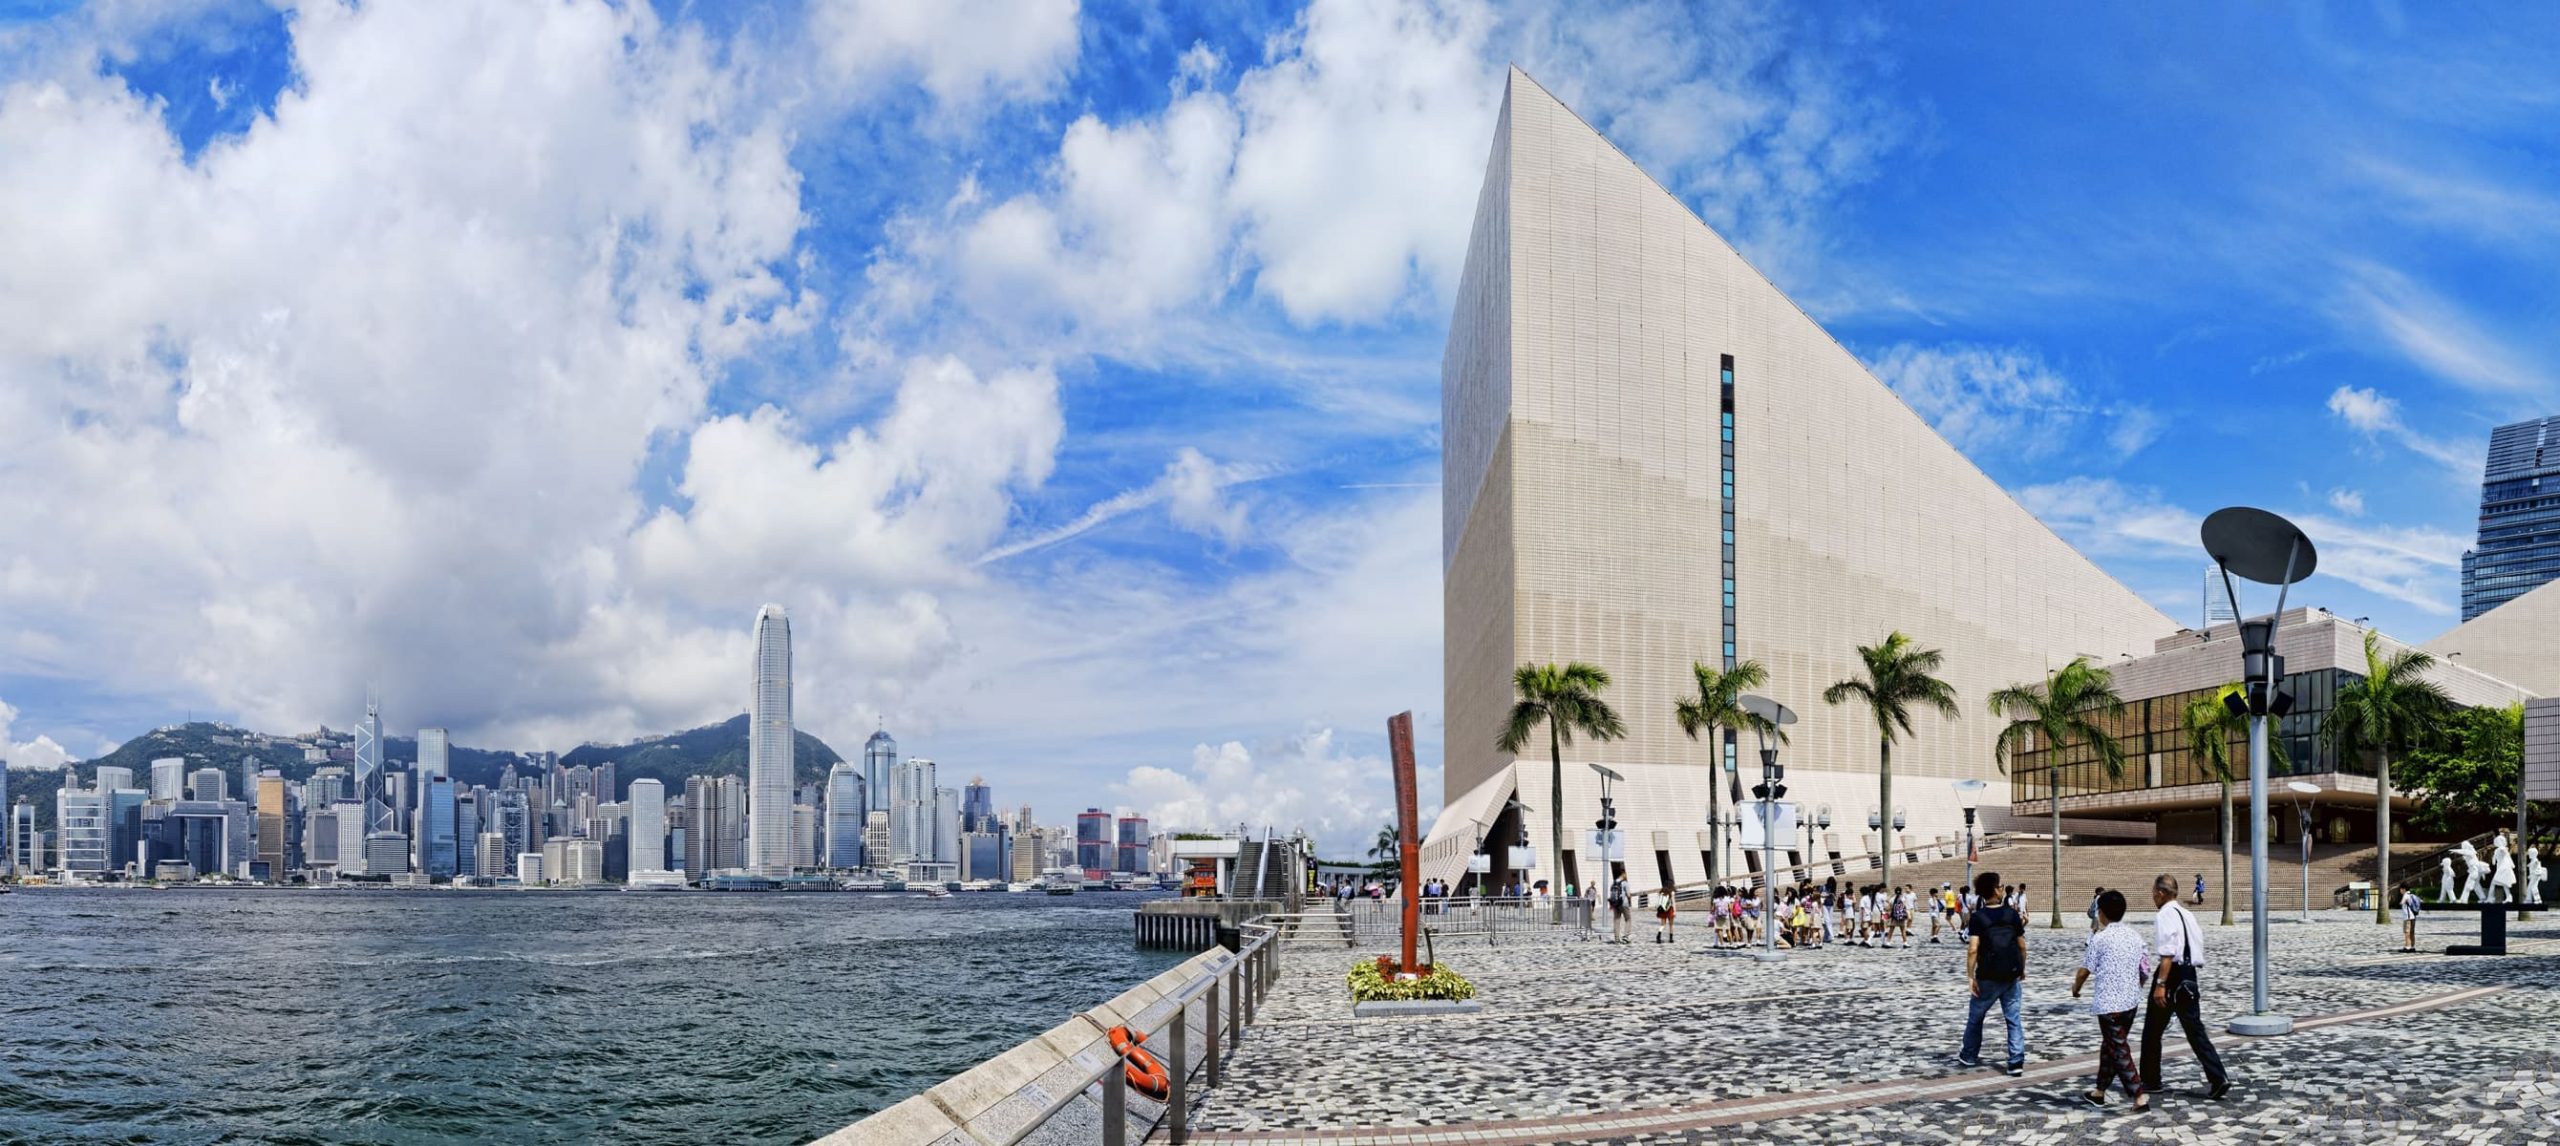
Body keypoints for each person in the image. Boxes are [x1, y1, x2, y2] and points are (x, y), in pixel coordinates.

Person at [2141, 874, 2231, 1100]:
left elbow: (2168, 952)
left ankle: (2151, 1080)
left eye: (2154, 891)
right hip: (2190, 975)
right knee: (2195, 1031)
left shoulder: (2164, 914)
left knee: (2152, 1031)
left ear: (2161, 893)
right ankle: (2218, 1076)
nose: (2152, 895)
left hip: (2171, 975)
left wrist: (2160, 984)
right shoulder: (2188, 914)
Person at [2071, 889, 2150, 1112]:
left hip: (2109, 1004)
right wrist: (2136, 986)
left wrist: (2076, 988)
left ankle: (2139, 1096)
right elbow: (2144, 968)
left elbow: (2084, 971)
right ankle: (2099, 1092)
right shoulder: (2135, 936)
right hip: (2131, 1001)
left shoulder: (2100, 938)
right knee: (2111, 1046)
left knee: (2118, 1049)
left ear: (2101, 913)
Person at [1959, 871, 2028, 1075]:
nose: (2001, 889)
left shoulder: (1978, 917)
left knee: (1976, 1017)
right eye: (2000, 886)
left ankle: (1969, 1055)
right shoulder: (2011, 914)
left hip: (1987, 976)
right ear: (1996, 890)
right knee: (2013, 1018)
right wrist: (2022, 969)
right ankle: (2016, 1061)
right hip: (2010, 974)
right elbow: (2022, 946)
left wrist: (1970, 976)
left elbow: (1972, 949)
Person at [1607, 866, 1633, 944]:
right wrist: (1630, 900)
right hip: (1623, 903)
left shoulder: (1613, 883)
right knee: (1628, 919)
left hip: (1615, 904)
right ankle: (1625, 936)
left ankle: (1617, 938)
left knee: (1616, 920)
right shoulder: (1625, 883)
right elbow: (1628, 895)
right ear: (1623, 873)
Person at [2399, 884, 2423, 953]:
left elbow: (2402, 903)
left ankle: (2407, 947)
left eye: (2400, 889)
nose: (2400, 891)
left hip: (2407, 917)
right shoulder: (2412, 895)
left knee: (2407, 932)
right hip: (2413, 916)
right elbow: (2420, 901)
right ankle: (2412, 947)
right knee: (2412, 932)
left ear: (2403, 889)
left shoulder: (2406, 895)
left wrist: (2401, 903)